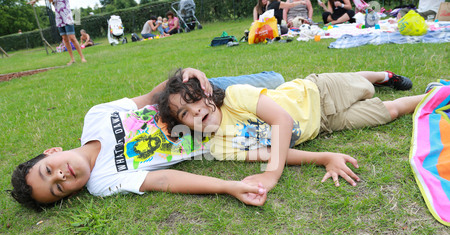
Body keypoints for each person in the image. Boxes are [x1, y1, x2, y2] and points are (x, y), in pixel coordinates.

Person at [9, 69, 286, 211]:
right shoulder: (101, 182)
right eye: (59, 188)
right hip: (213, 131)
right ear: (70, 194)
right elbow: (164, 180)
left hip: (193, 98)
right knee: (286, 129)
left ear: (51, 152)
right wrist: (228, 187)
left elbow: (150, 98)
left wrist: (184, 75)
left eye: (49, 170)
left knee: (276, 81)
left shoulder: (95, 117)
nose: (60, 175)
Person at [156, 68, 421, 193]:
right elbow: (271, 151)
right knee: (392, 112)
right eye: (184, 114)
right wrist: (324, 157)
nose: (195, 112)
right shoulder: (216, 147)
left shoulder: (236, 96)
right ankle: (438, 95)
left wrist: (272, 175)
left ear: (206, 93)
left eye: (194, 102)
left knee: (369, 87)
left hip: (319, 92)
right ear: (184, 124)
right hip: (323, 126)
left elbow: (281, 120)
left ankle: (382, 75)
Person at [28, 0, 86, 65]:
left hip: (67, 17)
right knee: (65, 39)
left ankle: (82, 57)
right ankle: (72, 59)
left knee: (72, 38)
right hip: (59, 19)